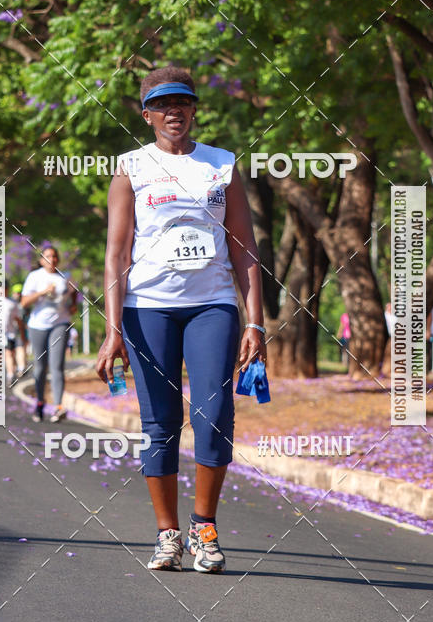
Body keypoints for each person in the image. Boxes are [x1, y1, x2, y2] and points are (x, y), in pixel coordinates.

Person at [95, 66, 267, 574]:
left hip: (212, 304)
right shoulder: (131, 167)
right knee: (160, 424)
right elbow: (116, 254)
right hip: (146, 308)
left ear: (193, 110)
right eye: (162, 104)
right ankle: (167, 534)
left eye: (183, 102)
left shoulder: (222, 164)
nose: (174, 111)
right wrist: (112, 331)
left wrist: (255, 323)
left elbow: (244, 248)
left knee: (214, 416)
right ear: (146, 114)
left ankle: (204, 528)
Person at [21, 246, 77, 423]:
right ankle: (40, 402)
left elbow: (74, 292)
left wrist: (73, 305)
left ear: (58, 259)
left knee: (57, 365)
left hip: (60, 323)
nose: (51, 259)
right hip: (38, 325)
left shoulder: (65, 277)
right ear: (41, 260)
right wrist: (43, 292)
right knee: (40, 367)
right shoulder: (34, 276)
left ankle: (58, 406)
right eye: (47, 256)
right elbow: (24, 302)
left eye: (54, 256)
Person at [3, 282, 27, 386]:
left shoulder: (17, 304)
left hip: (14, 331)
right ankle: (14, 370)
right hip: (2, 332)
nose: (18, 295)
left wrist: (22, 332)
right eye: (16, 293)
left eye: (19, 293)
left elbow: (20, 320)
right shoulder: (14, 303)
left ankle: (18, 369)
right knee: (6, 353)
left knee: (13, 351)